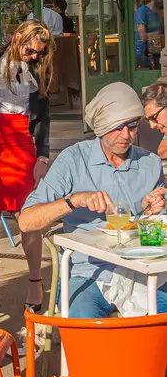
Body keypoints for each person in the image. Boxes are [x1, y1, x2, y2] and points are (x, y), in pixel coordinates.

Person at [19, 82, 167, 316]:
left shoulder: (149, 163)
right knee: (85, 324)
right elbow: (26, 222)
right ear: (101, 126)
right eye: (118, 127)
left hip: (143, 272)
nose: (126, 136)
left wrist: (155, 209)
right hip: (88, 272)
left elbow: (158, 224)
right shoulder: (74, 160)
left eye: (132, 126)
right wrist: (72, 201)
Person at [0, 21, 52, 310]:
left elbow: (43, 116)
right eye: (29, 50)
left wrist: (43, 157)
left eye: (38, 53)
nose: (33, 56)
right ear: (17, 38)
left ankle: (35, 282)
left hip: (23, 140)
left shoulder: (39, 67)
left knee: (28, 216)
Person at [139, 0, 164, 72]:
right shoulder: (143, 11)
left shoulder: (160, 12)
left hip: (160, 50)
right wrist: (160, 36)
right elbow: (142, 36)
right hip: (146, 53)